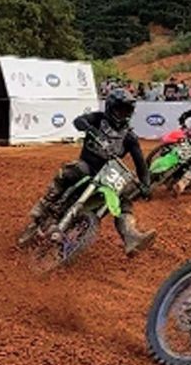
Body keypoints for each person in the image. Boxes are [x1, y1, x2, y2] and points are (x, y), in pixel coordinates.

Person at [20, 89, 155, 254]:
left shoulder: (130, 137)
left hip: (108, 177)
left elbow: (141, 165)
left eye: (127, 111)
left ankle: (131, 236)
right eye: (120, 109)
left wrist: (146, 184)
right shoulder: (98, 119)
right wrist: (89, 128)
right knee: (72, 170)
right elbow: (78, 121)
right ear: (110, 108)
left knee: (124, 199)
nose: (123, 114)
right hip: (88, 167)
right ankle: (43, 205)